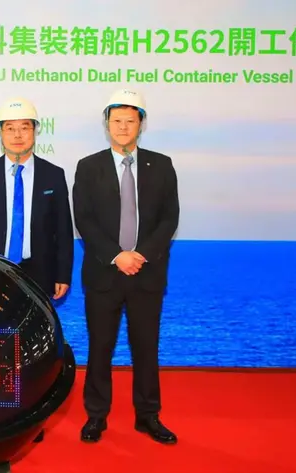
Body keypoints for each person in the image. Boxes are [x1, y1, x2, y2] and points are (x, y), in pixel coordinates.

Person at [72, 89, 180, 445]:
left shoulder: (161, 165)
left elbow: (169, 218)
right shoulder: (89, 167)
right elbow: (84, 219)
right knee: (100, 348)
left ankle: (148, 416)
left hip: (147, 274)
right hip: (104, 273)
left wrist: (141, 254)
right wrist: (117, 255)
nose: (122, 127)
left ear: (141, 124)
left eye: (129, 121)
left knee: (146, 348)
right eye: (116, 120)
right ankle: (96, 416)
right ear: (107, 124)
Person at [0, 97, 73, 301]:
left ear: (35, 131)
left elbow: (63, 231)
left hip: (40, 273)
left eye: (24, 127)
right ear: (0, 133)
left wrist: (63, 274)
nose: (17, 135)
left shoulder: (53, 175)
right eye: (10, 128)